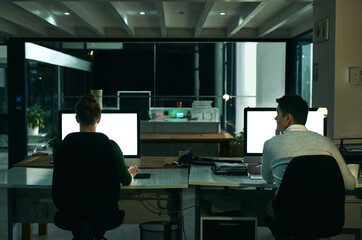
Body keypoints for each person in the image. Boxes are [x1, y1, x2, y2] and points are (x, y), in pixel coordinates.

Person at [261, 95, 356, 239]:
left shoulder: (271, 144)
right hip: (325, 218)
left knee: (269, 206)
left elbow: (267, 179)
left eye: (278, 115)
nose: (276, 119)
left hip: (289, 219)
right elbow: (350, 184)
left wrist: (275, 142)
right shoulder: (326, 142)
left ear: (288, 118)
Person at [52, 94, 139, 236]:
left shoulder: (61, 147)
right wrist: (129, 172)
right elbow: (126, 180)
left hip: (70, 212)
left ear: (77, 118)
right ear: (99, 119)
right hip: (104, 212)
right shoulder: (110, 146)